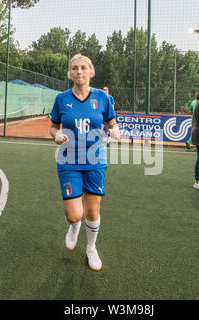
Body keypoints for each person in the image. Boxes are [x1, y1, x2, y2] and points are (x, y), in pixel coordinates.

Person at [50, 54, 119, 271]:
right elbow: (53, 126)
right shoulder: (61, 99)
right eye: (74, 68)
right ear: (70, 73)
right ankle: (74, 226)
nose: (79, 72)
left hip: (95, 160)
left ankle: (91, 248)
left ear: (91, 72)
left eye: (83, 68)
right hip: (68, 160)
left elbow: (111, 123)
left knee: (92, 212)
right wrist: (55, 135)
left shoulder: (102, 98)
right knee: (74, 214)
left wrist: (114, 130)